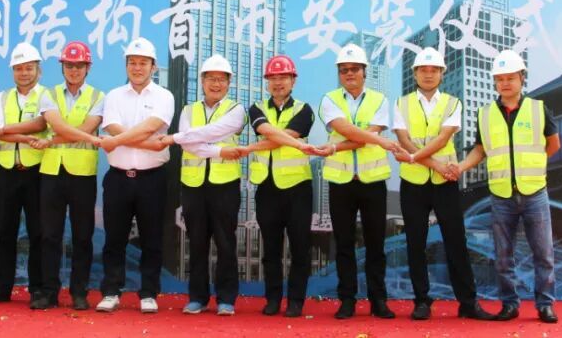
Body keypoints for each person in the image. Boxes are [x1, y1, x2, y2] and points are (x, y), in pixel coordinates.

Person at [0, 41, 108, 310]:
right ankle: (49, 292)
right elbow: (58, 125)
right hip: (51, 172)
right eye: (69, 65)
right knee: (49, 235)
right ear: (62, 67)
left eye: (79, 65)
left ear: (88, 67)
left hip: (82, 173)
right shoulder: (49, 94)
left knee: (82, 236)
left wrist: (53, 140)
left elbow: (86, 128)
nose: (74, 70)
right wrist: (79, 137)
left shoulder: (98, 97)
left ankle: (79, 292)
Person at [455, 49, 561, 324]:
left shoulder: (538, 109)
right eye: (500, 78)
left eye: (510, 78)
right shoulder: (485, 114)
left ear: (522, 78)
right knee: (503, 255)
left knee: (543, 252)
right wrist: (461, 167)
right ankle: (509, 304)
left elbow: (553, 144)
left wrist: (532, 167)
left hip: (534, 192)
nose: (505, 83)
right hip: (501, 194)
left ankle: (545, 305)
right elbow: (480, 150)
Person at [391, 47, 494, 321]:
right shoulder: (401, 104)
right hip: (414, 182)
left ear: (442, 73)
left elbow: (443, 139)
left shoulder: (452, 103)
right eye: (423, 70)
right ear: (414, 73)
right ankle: (421, 301)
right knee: (415, 242)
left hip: (444, 184)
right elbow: (404, 140)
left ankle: (468, 302)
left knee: (455, 240)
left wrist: (415, 158)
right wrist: (434, 164)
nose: (428, 74)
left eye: (434, 70)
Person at [154, 55, 246, 316]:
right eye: (211, 78)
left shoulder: (236, 110)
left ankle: (226, 298)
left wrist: (177, 137)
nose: (216, 84)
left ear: (229, 83)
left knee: (226, 242)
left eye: (221, 79)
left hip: (225, 184)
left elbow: (209, 133)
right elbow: (190, 144)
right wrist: (218, 151)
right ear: (202, 81)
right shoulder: (188, 110)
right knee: (196, 243)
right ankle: (197, 297)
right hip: (193, 185)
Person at [318, 43, 402, 320]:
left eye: (354, 69)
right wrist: (376, 139)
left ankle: (379, 300)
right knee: (343, 244)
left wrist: (335, 146)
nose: (349, 73)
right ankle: (347, 300)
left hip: (372, 181)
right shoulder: (329, 99)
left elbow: (364, 135)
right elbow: (347, 130)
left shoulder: (380, 99)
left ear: (365, 71)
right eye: (344, 70)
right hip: (341, 182)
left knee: (376, 244)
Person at [94, 37, 174, 314]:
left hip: (152, 179)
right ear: (126, 65)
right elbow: (113, 127)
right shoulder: (114, 96)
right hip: (118, 178)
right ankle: (111, 291)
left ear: (153, 66)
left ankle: (148, 293)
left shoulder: (164, 96)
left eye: (143, 63)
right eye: (132, 63)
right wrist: (147, 143)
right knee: (114, 239)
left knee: (152, 238)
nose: (137, 68)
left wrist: (117, 142)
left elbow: (151, 126)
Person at [243, 54, 323, 318]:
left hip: (298, 187)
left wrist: (251, 147)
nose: (278, 83)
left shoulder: (304, 109)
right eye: (273, 78)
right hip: (266, 187)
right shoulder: (256, 108)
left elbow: (287, 136)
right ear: (267, 81)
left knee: (300, 247)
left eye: (283, 77)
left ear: (293, 81)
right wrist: (276, 139)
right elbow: (266, 130)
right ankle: (273, 299)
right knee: (271, 248)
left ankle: (296, 301)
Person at [0, 42, 48, 306]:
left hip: (37, 172)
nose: (24, 73)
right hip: (6, 172)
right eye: (18, 68)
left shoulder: (46, 96)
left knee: (38, 233)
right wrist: (20, 135)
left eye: (29, 68)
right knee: (5, 232)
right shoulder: (1, 98)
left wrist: (5, 129)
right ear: (12, 71)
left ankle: (37, 289)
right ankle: (2, 287)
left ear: (38, 70)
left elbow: (40, 124)